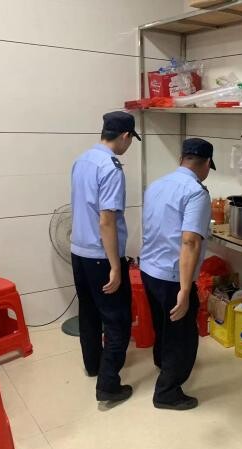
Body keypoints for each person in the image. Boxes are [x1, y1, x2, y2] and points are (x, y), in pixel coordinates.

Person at [70, 111, 141, 403]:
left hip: (78, 252)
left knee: (89, 312)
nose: (129, 145)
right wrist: (115, 266)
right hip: (101, 256)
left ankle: (93, 365)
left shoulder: (82, 160)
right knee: (117, 320)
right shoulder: (111, 168)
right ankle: (109, 385)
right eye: (131, 140)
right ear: (125, 136)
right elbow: (107, 221)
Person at [139, 138, 214, 411]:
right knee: (182, 336)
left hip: (149, 268)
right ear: (206, 164)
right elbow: (190, 242)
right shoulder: (196, 193)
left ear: (182, 158)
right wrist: (185, 289)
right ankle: (167, 392)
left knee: (163, 325)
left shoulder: (157, 184)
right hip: (172, 276)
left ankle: (162, 362)